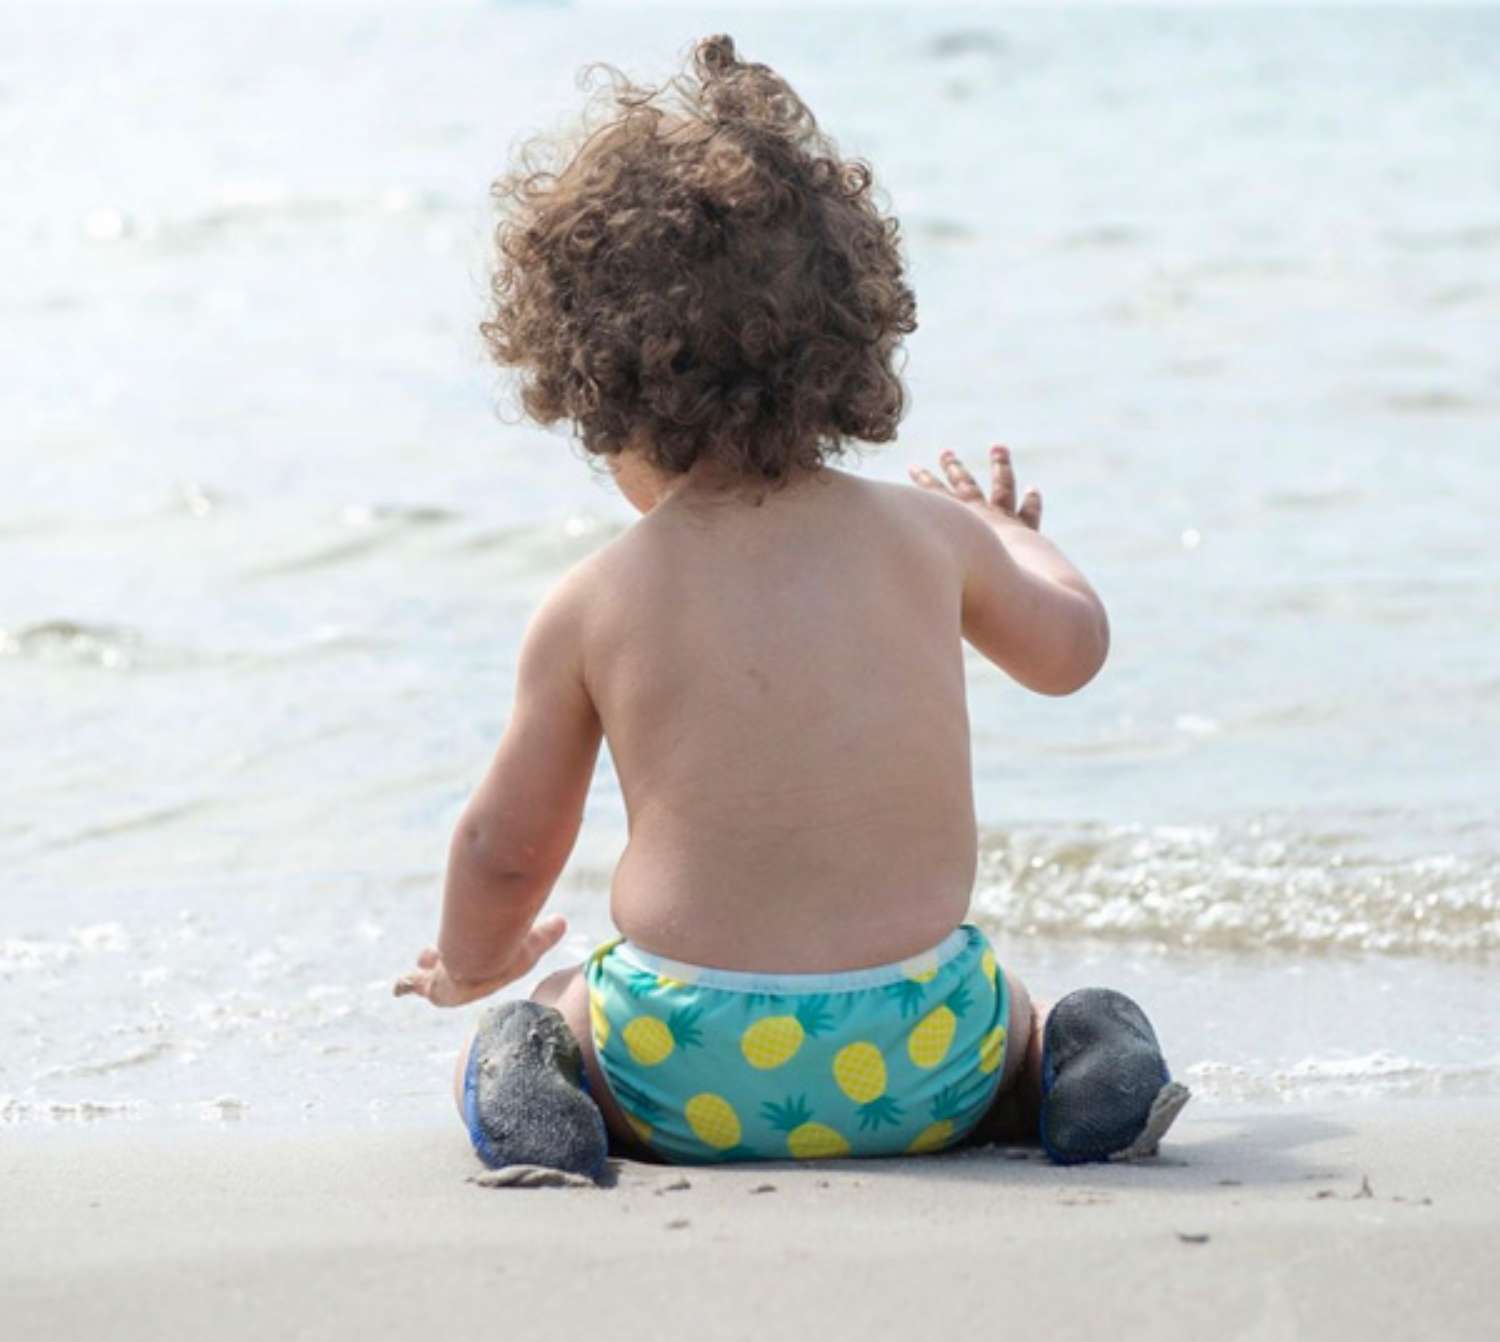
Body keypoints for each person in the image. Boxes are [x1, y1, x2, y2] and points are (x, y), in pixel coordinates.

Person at [394, 34, 1187, 1176]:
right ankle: (1088, 1069)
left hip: (683, 1070)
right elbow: (1072, 652)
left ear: (591, 380)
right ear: (844, 333)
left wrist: (477, 963)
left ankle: (539, 1102)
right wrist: (1017, 538)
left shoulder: (594, 600)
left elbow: (504, 847)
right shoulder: (933, 538)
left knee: (551, 1009)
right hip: (926, 1057)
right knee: (1025, 1007)